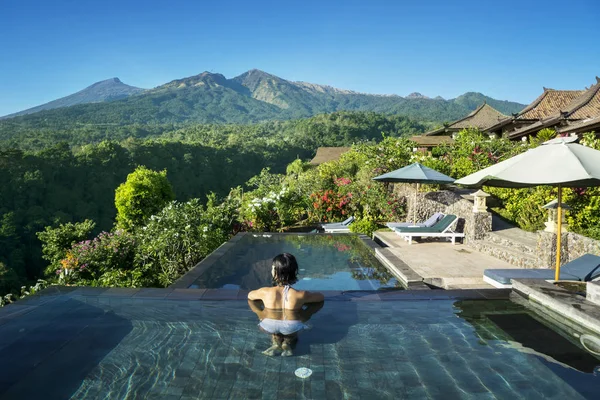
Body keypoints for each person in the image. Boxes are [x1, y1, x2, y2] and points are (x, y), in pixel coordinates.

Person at [248, 253, 324, 356]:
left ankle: (275, 343)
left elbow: (250, 296)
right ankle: (287, 343)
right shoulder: (301, 295)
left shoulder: (265, 292)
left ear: (274, 272)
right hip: (292, 327)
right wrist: (305, 313)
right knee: (294, 329)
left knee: (274, 327)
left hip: (267, 326)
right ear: (294, 272)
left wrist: (260, 313)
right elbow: (320, 298)